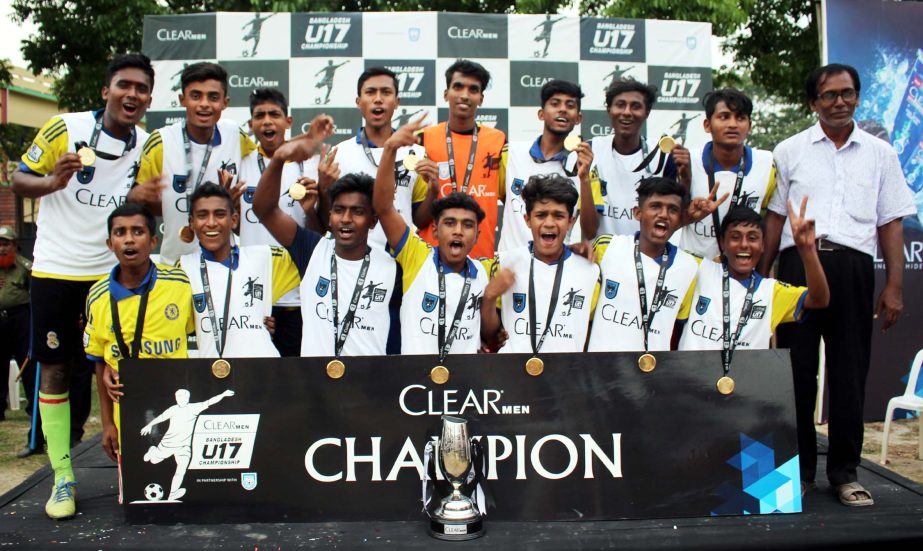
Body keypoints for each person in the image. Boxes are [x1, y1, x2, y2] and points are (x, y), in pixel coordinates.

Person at [760, 63, 915, 507]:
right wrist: (760, 280)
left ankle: (845, 472)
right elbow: (774, 217)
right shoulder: (789, 150)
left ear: (857, 97)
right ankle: (801, 471)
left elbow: (891, 221)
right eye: (829, 95)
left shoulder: (880, 153)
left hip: (853, 269)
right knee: (797, 375)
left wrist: (894, 287)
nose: (840, 101)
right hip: (795, 270)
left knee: (849, 375)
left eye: (847, 93)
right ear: (814, 103)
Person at [11, 53, 154, 520]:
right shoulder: (64, 128)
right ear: (105, 90)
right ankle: (62, 476)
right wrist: (52, 181)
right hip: (57, 269)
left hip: (114, 274)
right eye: (123, 85)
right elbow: (19, 178)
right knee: (55, 369)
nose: (131, 95)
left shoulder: (147, 145)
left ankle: (132, 468)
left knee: (126, 371)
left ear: (149, 98)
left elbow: (154, 197)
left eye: (140, 88)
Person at [253, 125, 402, 357]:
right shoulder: (312, 250)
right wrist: (279, 158)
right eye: (339, 210)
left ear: (373, 221)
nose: (346, 219)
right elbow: (264, 210)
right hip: (316, 384)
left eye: (357, 212)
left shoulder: (392, 266)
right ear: (329, 216)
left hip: (370, 385)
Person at [85, 203, 195, 467]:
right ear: (110, 243)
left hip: (176, 407)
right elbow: (100, 362)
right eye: (120, 232)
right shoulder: (97, 296)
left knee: (180, 493)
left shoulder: (181, 284)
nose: (129, 239)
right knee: (138, 496)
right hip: (128, 413)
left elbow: (206, 326)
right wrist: (108, 423)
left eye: (138, 231)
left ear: (153, 240)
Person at [374, 116, 489, 355]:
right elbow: (384, 207)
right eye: (450, 223)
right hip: (415, 382)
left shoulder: (485, 272)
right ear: (435, 230)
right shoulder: (417, 257)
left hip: (465, 385)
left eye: (467, 225)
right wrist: (390, 149)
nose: (458, 230)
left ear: (477, 235)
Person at [130, 61, 255, 265]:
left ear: (225, 102)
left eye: (213, 97)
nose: (204, 104)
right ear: (182, 100)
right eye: (196, 96)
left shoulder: (235, 135)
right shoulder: (160, 141)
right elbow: (135, 202)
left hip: (225, 265)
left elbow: (264, 162)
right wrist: (138, 196)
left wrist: (229, 201)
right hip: (175, 264)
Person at [680, 204, 829, 353]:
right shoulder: (699, 270)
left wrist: (808, 250)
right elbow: (659, 252)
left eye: (752, 238)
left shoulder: (771, 291)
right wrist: (684, 220)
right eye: (735, 237)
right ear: (722, 243)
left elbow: (819, 299)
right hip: (692, 374)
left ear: (763, 245)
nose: (744, 244)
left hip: (744, 376)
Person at [238, 87, 318, 357]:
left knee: (295, 378)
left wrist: (312, 209)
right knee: (255, 380)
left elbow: (318, 234)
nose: (267, 121)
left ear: (288, 122)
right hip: (253, 292)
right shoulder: (239, 164)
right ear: (251, 125)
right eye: (259, 115)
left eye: (275, 114)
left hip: (297, 293)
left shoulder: (309, 164)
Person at [178, 183, 301, 358]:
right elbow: (180, 325)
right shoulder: (183, 269)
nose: (211, 223)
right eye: (202, 215)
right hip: (214, 376)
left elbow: (316, 260)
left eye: (219, 214)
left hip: (264, 372)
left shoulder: (266, 258)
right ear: (192, 223)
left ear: (234, 219)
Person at [482, 174, 600, 353]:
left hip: (566, 376)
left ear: (571, 222)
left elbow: (590, 335)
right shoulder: (505, 264)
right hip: (514, 375)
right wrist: (489, 297)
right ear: (527, 220)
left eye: (558, 216)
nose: (549, 223)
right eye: (541, 215)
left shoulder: (589, 271)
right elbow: (490, 335)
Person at [319, 67, 427, 250]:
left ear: (397, 102)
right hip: (353, 260)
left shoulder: (417, 154)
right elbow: (325, 221)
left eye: (386, 92)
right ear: (358, 102)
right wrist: (322, 189)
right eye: (370, 92)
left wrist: (433, 191)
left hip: (403, 259)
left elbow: (420, 219)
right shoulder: (339, 153)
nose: (378, 99)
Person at [587, 177, 699, 352]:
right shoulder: (606, 247)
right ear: (638, 213)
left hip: (651, 374)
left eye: (673, 210)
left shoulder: (690, 267)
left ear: (680, 219)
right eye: (655, 206)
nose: (663, 214)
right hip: (601, 371)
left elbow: (679, 325)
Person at [414, 59, 508, 260]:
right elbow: (417, 220)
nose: (465, 95)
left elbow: (513, 202)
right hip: (430, 261)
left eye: (473, 90)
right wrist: (433, 191)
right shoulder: (423, 139)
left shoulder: (499, 141)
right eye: (458, 87)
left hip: (481, 260)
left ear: (481, 98)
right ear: (446, 94)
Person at [498, 79, 598, 252]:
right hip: (509, 269)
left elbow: (590, 231)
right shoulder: (511, 153)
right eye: (555, 103)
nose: (563, 109)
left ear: (578, 118)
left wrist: (584, 179)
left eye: (570, 105)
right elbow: (503, 201)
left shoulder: (586, 165)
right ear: (541, 114)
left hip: (554, 271)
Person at [678, 89, 776, 260]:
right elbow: (673, 218)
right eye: (724, 116)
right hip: (693, 270)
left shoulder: (767, 164)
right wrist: (685, 181)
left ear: (749, 126)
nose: (733, 124)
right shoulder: (687, 162)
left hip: (741, 273)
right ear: (707, 125)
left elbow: (771, 222)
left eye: (740, 118)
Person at [588, 78, 678, 237]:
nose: (627, 112)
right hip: (602, 256)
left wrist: (686, 176)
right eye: (620, 105)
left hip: (647, 257)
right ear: (609, 110)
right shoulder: (591, 151)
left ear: (647, 113)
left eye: (636, 106)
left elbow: (673, 212)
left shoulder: (663, 155)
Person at [0, 227, 30, 425]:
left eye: (6, 243)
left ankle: (32, 408)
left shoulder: (25, 267)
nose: (2, 248)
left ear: (14, 245)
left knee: (26, 364)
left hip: (20, 319)